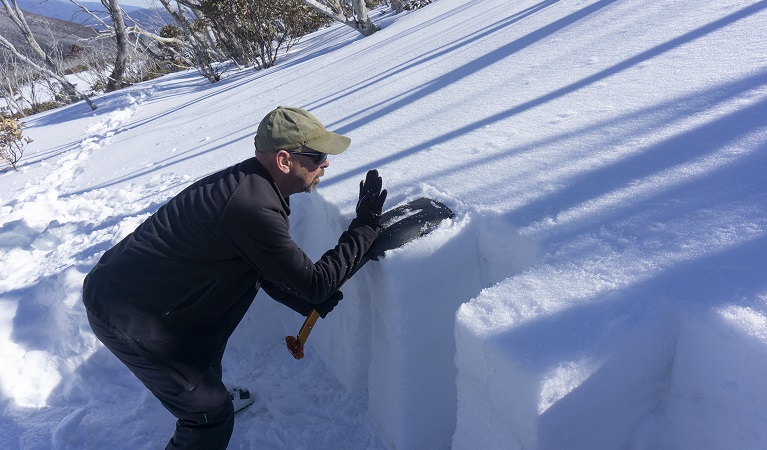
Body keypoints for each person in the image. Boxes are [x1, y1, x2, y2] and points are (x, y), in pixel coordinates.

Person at [82, 106, 387, 449]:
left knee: (205, 343)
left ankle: (209, 391)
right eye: (317, 156)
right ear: (284, 161)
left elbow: (262, 266)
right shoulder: (250, 207)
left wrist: (304, 300)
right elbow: (315, 283)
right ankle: (210, 405)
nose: (326, 163)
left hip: (141, 289)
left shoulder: (254, 187)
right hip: (124, 312)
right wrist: (363, 228)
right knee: (208, 414)